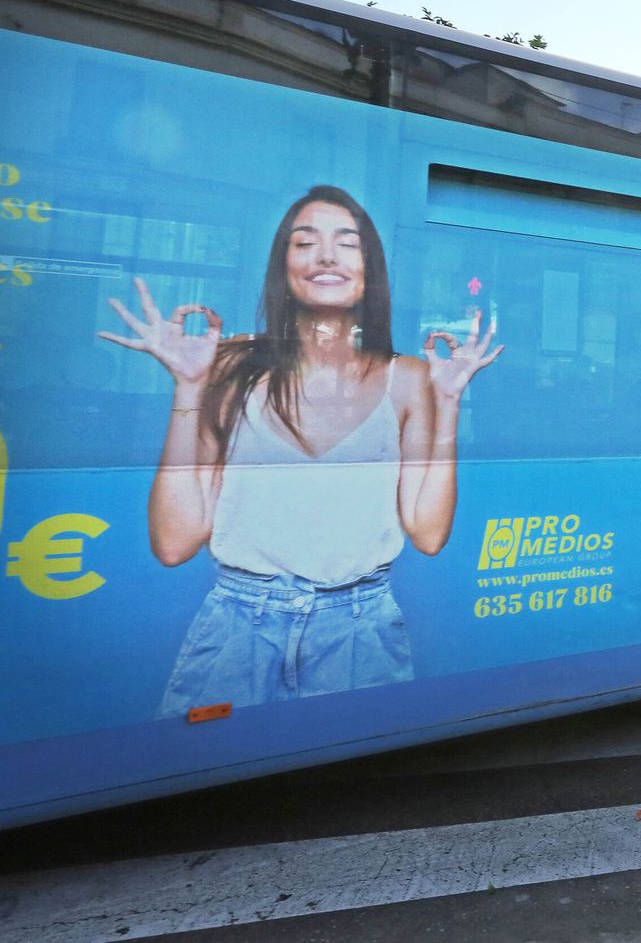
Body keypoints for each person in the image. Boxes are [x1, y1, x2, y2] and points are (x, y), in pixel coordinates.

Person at [100, 185, 503, 715]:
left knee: (352, 796)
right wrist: (188, 388)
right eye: (304, 241)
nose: (326, 256)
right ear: (283, 266)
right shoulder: (228, 365)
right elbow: (175, 543)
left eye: (347, 243)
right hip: (238, 630)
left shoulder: (410, 379)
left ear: (369, 270)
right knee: (213, 792)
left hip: (361, 630)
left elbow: (428, 533)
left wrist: (448, 401)